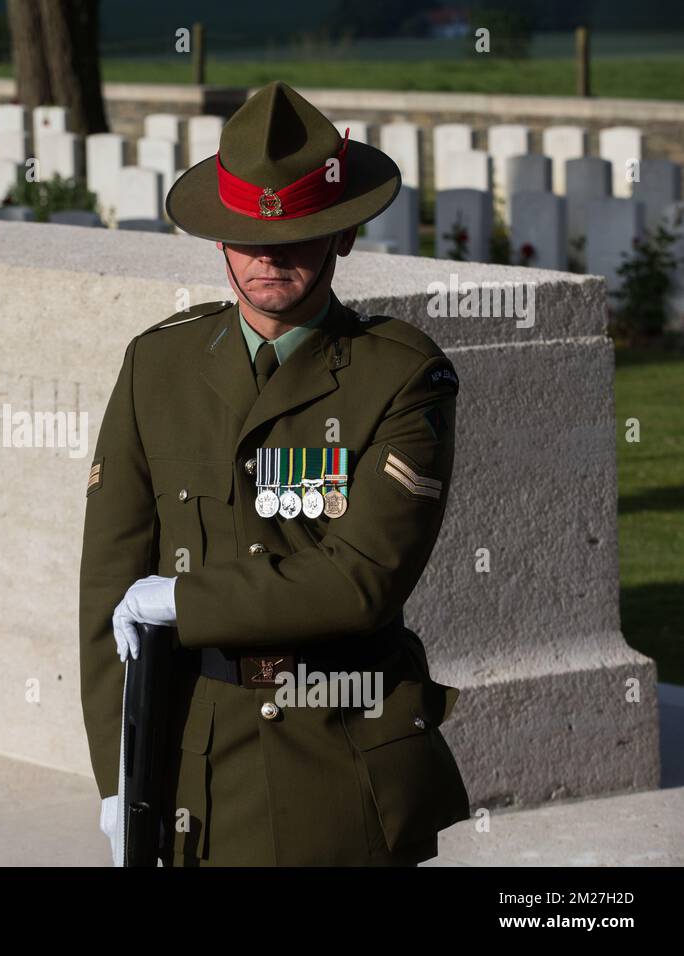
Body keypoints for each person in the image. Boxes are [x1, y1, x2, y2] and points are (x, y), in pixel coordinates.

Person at [79, 81, 471, 867]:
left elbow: (359, 581)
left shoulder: (400, 376)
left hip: (333, 750)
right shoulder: (159, 364)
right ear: (219, 241)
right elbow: (108, 587)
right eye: (245, 236)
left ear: (344, 237)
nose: (268, 256)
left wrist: (182, 599)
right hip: (191, 754)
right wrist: (117, 780)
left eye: (299, 233)